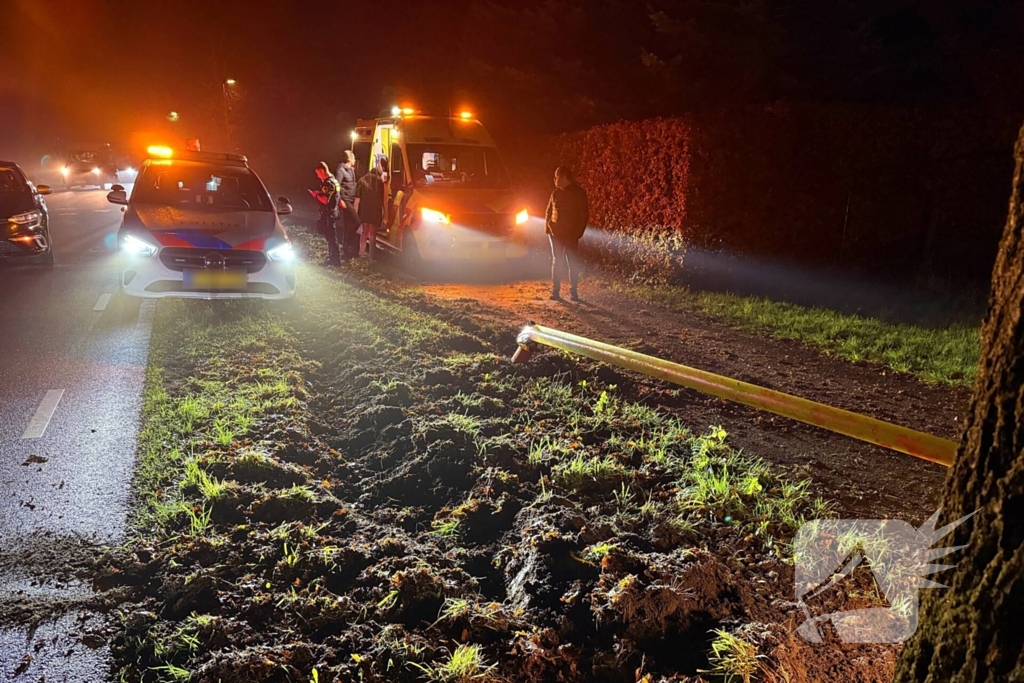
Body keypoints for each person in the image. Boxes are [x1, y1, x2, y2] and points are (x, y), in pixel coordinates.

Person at [544, 166, 589, 301]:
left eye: (557, 177)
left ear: (564, 177)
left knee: (571, 262)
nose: (554, 180)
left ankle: (573, 292)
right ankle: (556, 291)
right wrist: (548, 227)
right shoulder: (555, 193)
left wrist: (578, 232)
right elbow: (548, 211)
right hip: (555, 234)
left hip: (570, 234)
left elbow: (583, 214)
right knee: (557, 261)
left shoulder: (578, 193)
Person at [309, 161, 341, 266]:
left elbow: (325, 200)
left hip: (328, 214)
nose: (318, 176)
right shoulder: (334, 180)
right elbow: (335, 196)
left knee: (331, 238)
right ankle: (333, 257)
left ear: (322, 170)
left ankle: (334, 260)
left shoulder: (328, 183)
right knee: (331, 237)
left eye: (318, 173)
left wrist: (315, 195)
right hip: (333, 212)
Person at [354, 156, 386, 258]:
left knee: (364, 231)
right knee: (373, 232)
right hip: (375, 210)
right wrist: (384, 212)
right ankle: (372, 254)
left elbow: (357, 199)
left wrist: (355, 212)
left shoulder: (362, 180)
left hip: (364, 209)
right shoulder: (380, 181)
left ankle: (361, 252)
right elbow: (382, 199)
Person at [335, 151, 360, 260]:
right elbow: (336, 186)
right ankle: (348, 249)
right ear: (349, 159)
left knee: (348, 226)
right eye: (353, 157)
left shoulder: (351, 170)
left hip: (352, 200)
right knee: (357, 222)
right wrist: (340, 200)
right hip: (346, 201)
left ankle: (347, 252)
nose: (354, 159)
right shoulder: (340, 170)